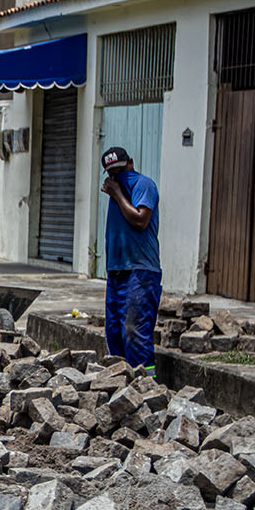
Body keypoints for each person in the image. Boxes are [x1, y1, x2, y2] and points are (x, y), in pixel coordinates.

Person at [99, 146, 161, 374]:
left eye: (122, 170)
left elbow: (140, 220)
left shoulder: (142, 184)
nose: (118, 177)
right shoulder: (119, 190)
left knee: (135, 332)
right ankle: (120, 384)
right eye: (113, 173)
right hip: (116, 272)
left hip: (140, 272)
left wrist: (117, 193)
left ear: (131, 164)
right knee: (114, 333)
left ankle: (147, 388)